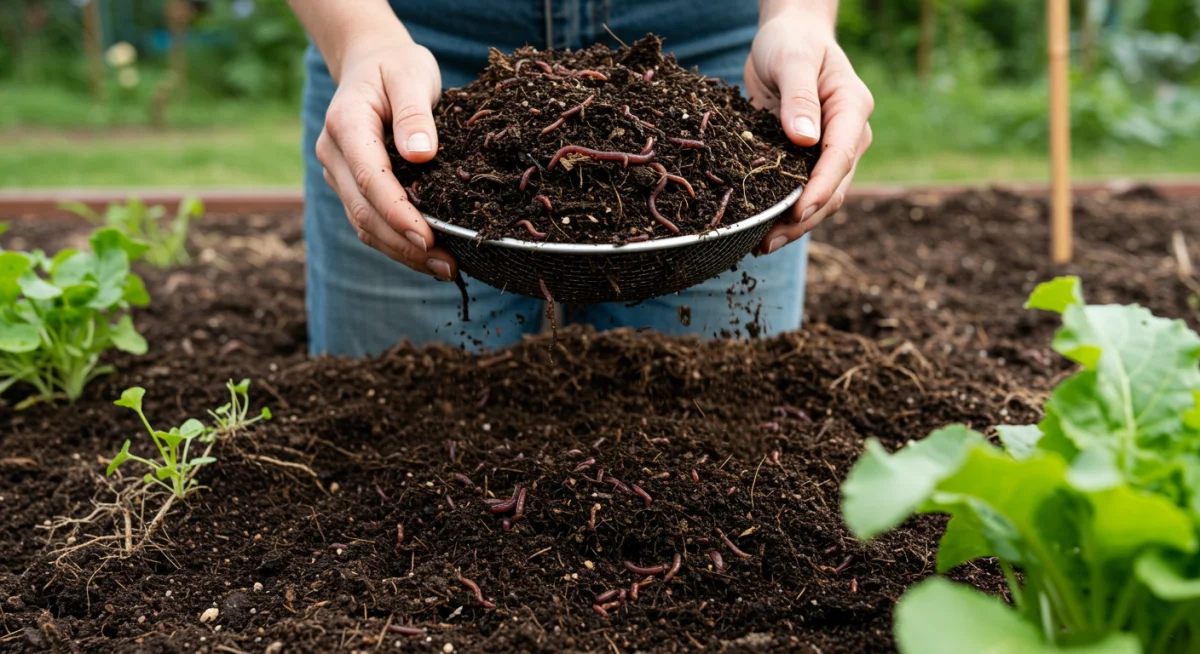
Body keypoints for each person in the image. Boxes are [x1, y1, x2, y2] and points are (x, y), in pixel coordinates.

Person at [288, 0, 873, 357]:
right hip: (406, 50)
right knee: (404, 440)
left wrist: (800, 16)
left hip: (714, 55)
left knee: (706, 451)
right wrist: (358, 38)